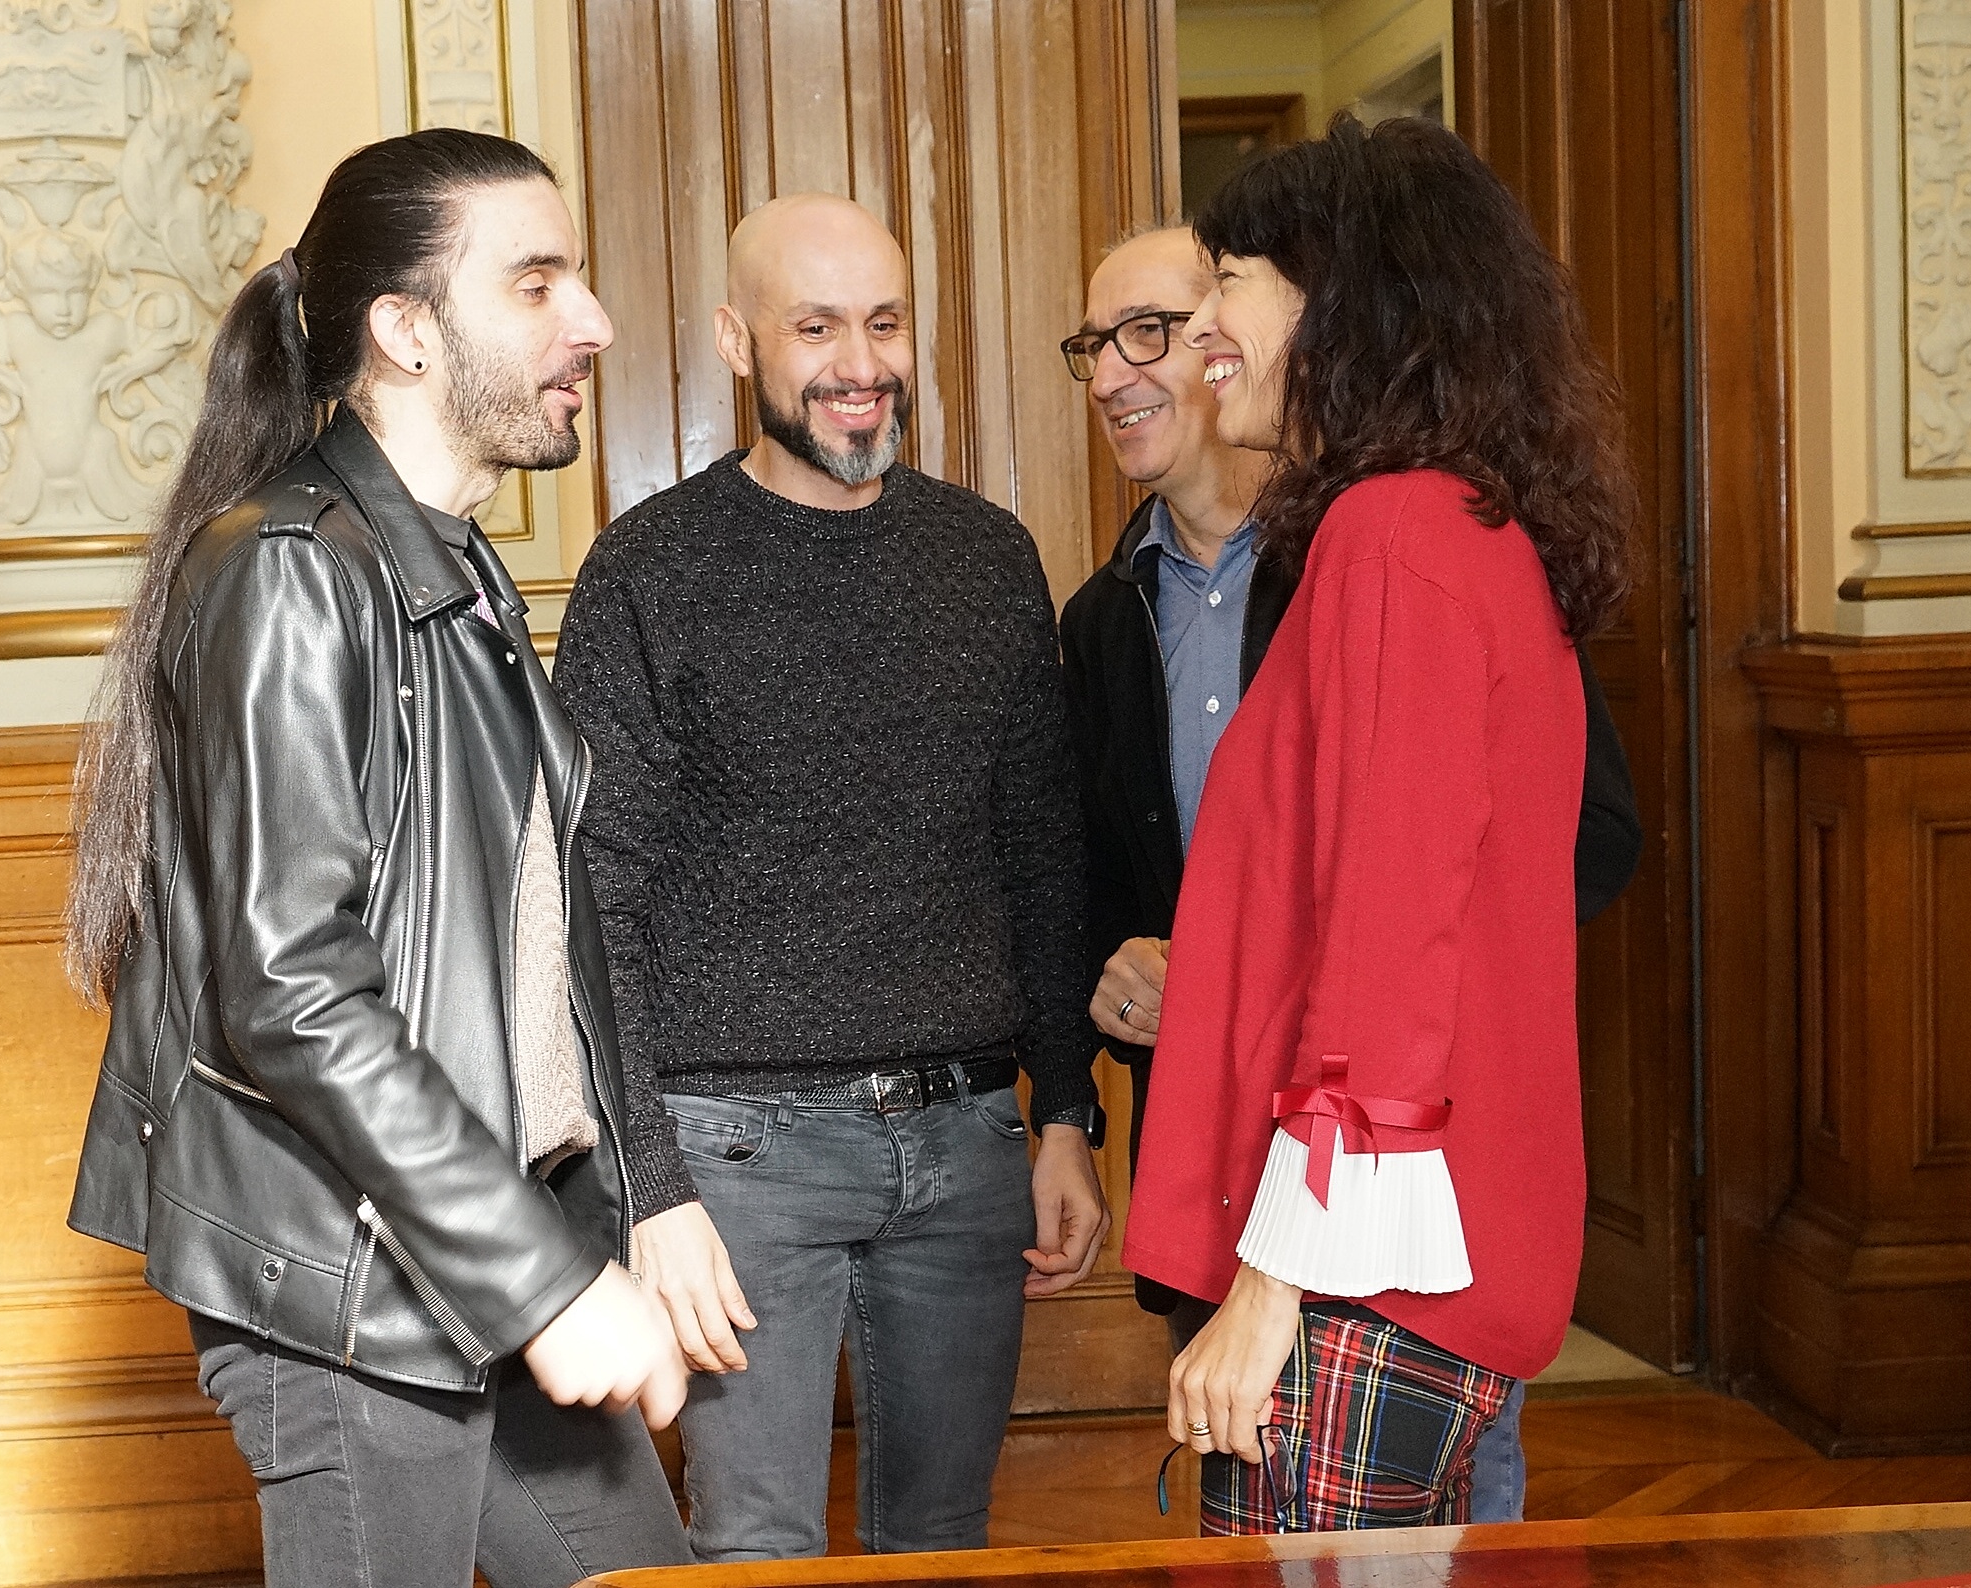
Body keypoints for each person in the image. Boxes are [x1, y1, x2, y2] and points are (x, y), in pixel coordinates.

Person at [62, 129, 690, 1588]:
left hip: (476, 1252)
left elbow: (533, 957)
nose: (592, 321)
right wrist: (544, 1283)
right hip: (350, 1291)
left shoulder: (450, 563)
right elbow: (290, 989)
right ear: (406, 330)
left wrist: (627, 1217)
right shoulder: (289, 566)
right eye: (537, 282)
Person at [554, 191, 1111, 1562]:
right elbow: (593, 896)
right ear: (737, 341)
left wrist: (1063, 1113)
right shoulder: (648, 570)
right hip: (737, 1159)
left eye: (885, 322)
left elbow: (1040, 851)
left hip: (968, 1142)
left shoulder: (987, 559)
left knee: (943, 1542)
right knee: (755, 1551)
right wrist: (651, 1182)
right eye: (815, 328)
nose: (860, 363)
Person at [1056, 226, 1643, 1522]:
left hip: (1355, 1258)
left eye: (1225, 289)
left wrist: (1273, 1281)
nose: (1203, 330)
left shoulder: (1389, 534)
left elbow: (1388, 940)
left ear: (1339, 308)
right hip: (1366, 1230)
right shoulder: (1447, 519)